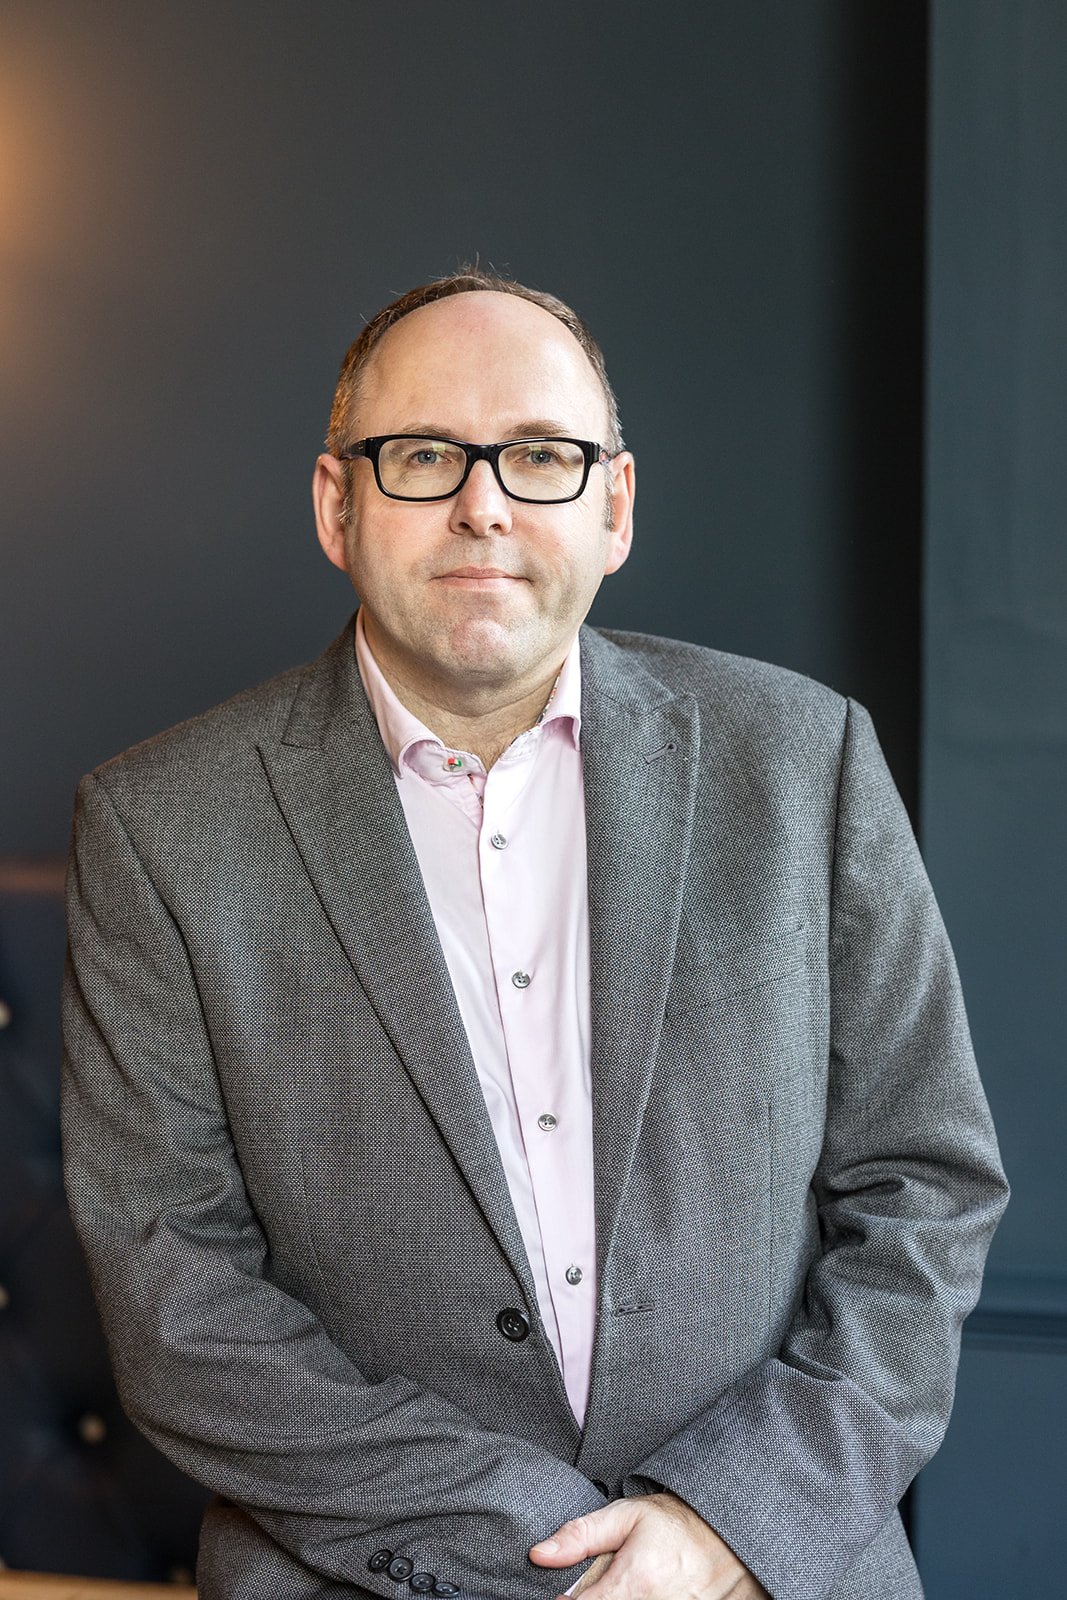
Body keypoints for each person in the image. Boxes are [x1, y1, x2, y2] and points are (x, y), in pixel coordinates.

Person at [61, 269, 1007, 1600]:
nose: (484, 504)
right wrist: (545, 1550)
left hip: (772, 1567)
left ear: (613, 506)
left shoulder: (804, 763)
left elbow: (928, 1190)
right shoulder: (159, 829)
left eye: (541, 456)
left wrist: (725, 1523)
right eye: (424, 455)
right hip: (362, 1572)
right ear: (338, 503)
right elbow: (178, 1298)